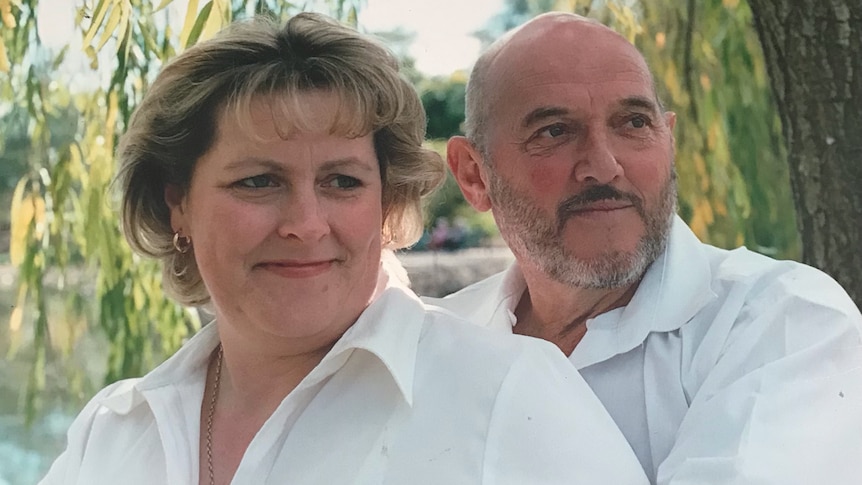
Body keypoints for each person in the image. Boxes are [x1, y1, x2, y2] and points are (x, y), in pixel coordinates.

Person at [39, 12, 649, 485]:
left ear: (385, 205)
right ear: (178, 204)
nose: (306, 223)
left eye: (342, 182)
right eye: (259, 181)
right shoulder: (113, 431)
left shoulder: (509, 397)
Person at [430, 11, 862, 485]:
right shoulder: (433, 345)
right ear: (473, 173)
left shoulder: (782, 321)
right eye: (554, 131)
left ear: (668, 140)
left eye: (634, 122)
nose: (604, 165)